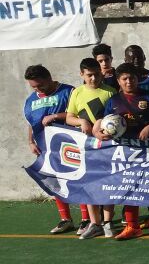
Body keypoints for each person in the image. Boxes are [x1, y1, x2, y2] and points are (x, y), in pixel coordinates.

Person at [94, 63, 149, 240]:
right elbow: (102, 122)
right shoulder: (113, 101)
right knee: (129, 186)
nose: (128, 82)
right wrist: (98, 131)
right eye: (124, 79)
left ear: (137, 79)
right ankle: (132, 226)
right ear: (118, 81)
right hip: (126, 151)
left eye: (132, 78)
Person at [23, 64, 78, 235]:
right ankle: (65, 219)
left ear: (49, 78)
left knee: (79, 179)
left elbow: (79, 114)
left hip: (71, 143)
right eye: (34, 86)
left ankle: (87, 219)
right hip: (47, 147)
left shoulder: (69, 91)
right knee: (55, 182)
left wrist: (56, 116)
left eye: (41, 85)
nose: (38, 89)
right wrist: (31, 141)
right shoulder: (31, 100)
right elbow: (32, 122)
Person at [65, 58, 117, 239]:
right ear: (82, 75)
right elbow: (69, 117)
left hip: (107, 145)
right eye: (89, 75)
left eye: (96, 74)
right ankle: (95, 224)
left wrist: (102, 128)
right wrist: (82, 121)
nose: (93, 78)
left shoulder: (110, 92)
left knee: (109, 183)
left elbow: (115, 119)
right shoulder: (77, 93)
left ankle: (108, 222)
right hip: (86, 146)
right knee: (89, 184)